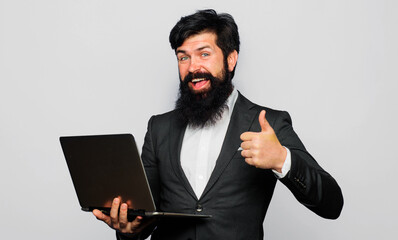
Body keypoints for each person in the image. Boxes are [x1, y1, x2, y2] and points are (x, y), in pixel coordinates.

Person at [93, 9, 344, 240]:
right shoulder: (159, 128)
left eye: (204, 54)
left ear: (231, 59)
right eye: (183, 58)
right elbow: (146, 216)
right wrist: (129, 230)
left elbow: (332, 204)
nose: (193, 68)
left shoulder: (268, 124)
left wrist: (282, 159)